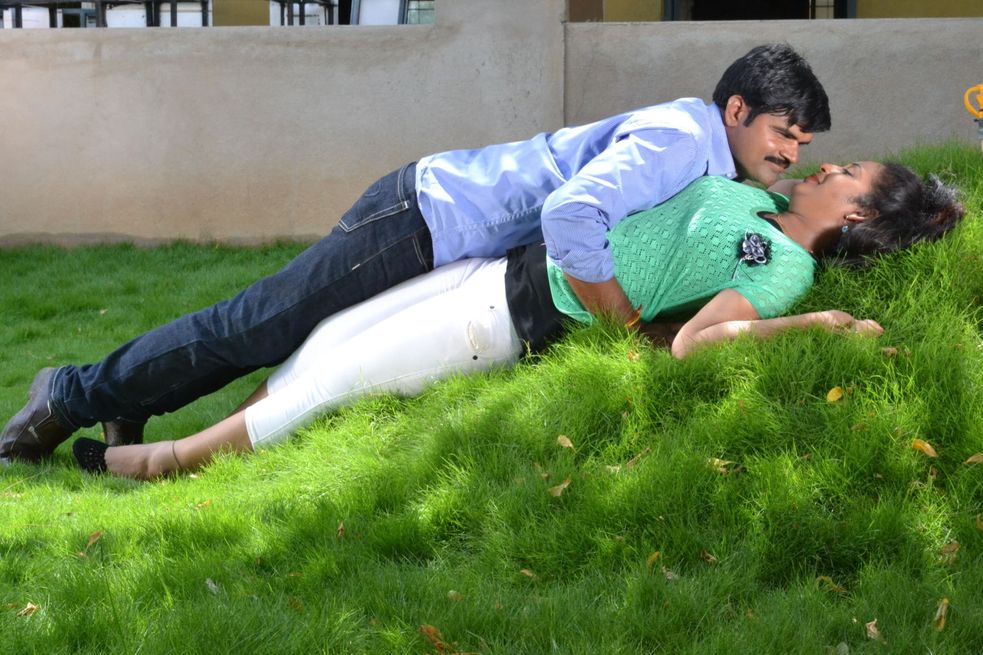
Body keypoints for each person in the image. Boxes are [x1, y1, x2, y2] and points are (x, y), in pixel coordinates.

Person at [1, 44, 831, 464]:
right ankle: (66, 394)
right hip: (428, 219)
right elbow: (573, 211)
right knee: (258, 325)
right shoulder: (682, 138)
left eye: (803, 144)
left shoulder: (709, 158)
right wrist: (619, 315)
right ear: (735, 109)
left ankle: (127, 403)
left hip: (452, 234)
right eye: (783, 131)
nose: (791, 152)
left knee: (278, 331)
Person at [69, 161, 964, 480]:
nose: (826, 165)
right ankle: (189, 445)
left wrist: (818, 324)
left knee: (334, 380)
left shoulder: (783, 265)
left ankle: (159, 463)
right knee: (326, 342)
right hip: (503, 268)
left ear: (856, 213)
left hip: (516, 318)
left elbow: (698, 343)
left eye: (847, 172)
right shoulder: (757, 198)